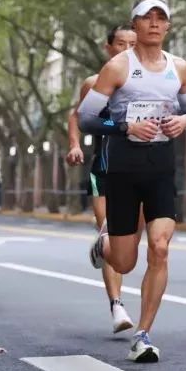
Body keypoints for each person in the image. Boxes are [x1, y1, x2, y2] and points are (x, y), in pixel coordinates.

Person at [79, 0, 186, 363]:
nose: (155, 24)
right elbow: (86, 118)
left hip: (161, 168)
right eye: (148, 18)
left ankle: (143, 334)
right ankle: (105, 246)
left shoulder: (179, 68)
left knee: (159, 247)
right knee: (125, 263)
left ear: (168, 26)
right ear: (136, 24)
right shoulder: (118, 67)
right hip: (123, 170)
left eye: (161, 18)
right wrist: (125, 126)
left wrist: (184, 121)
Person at [66, 23, 137, 335]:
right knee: (110, 234)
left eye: (132, 43)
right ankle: (117, 304)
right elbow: (76, 116)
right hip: (105, 170)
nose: (127, 49)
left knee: (132, 243)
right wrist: (74, 145)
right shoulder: (94, 84)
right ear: (109, 48)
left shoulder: (152, 83)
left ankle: (104, 251)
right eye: (121, 43)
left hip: (142, 170)